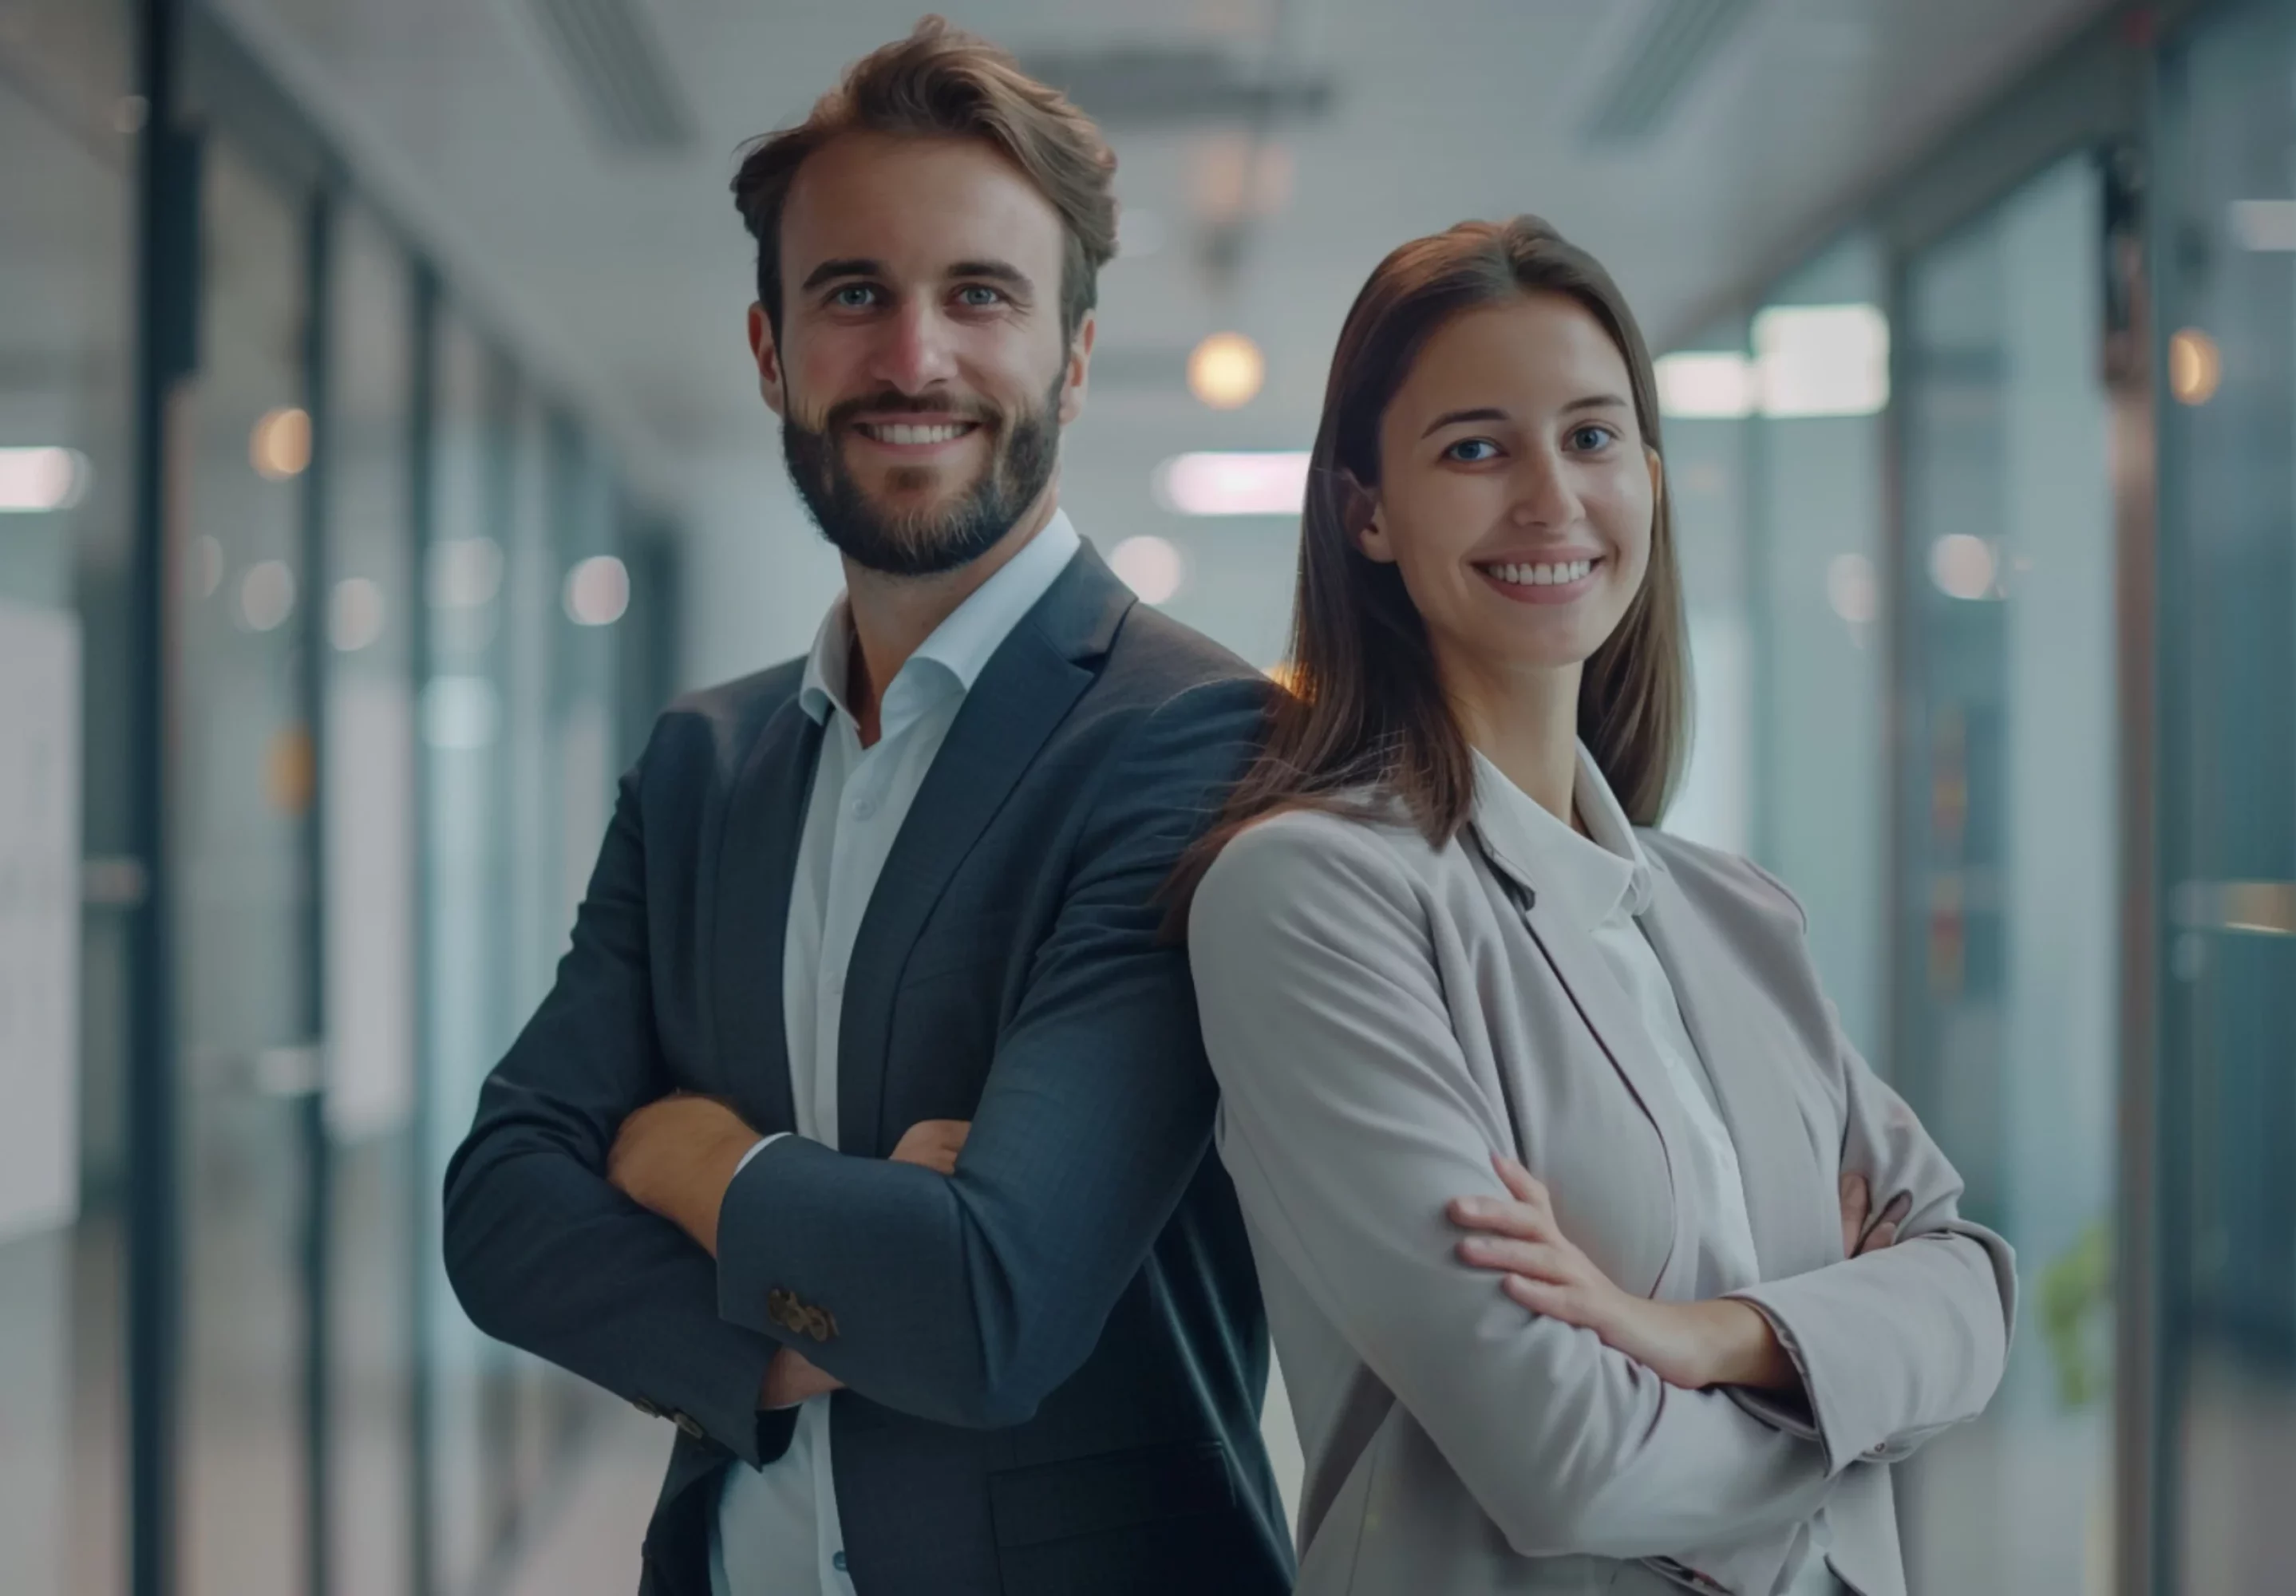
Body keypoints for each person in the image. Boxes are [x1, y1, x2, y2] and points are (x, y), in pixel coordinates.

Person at [443, 20, 1293, 1596]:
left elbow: (988, 1310)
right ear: (773, 351)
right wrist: (783, 1347)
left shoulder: (1202, 739)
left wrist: (697, 1162)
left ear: (1074, 357)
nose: (914, 357)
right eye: (855, 294)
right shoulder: (703, 763)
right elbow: (497, 1209)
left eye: (980, 294)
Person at [1176, 216, 2017, 1595]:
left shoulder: (1734, 912)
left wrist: (1716, 1337)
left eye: (1591, 437)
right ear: (1365, 512)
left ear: (1652, 478)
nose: (1551, 500)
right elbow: (1566, 1458)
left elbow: (1974, 1292)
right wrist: (1853, 1389)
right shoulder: (1312, 896)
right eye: (1474, 448)